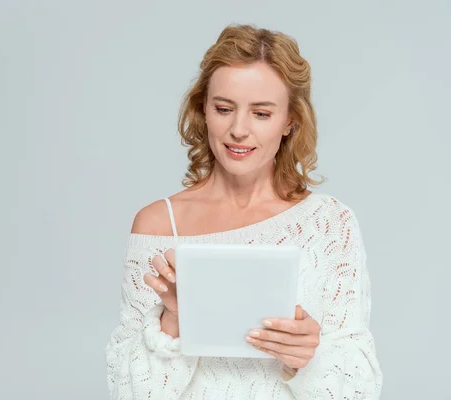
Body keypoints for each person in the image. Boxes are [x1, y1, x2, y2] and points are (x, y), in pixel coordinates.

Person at [105, 24, 383, 399]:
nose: (238, 129)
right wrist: (171, 323)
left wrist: (306, 359)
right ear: (203, 110)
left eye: (262, 114)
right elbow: (132, 393)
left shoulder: (331, 225)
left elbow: (361, 389)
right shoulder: (158, 225)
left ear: (290, 121)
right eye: (224, 108)